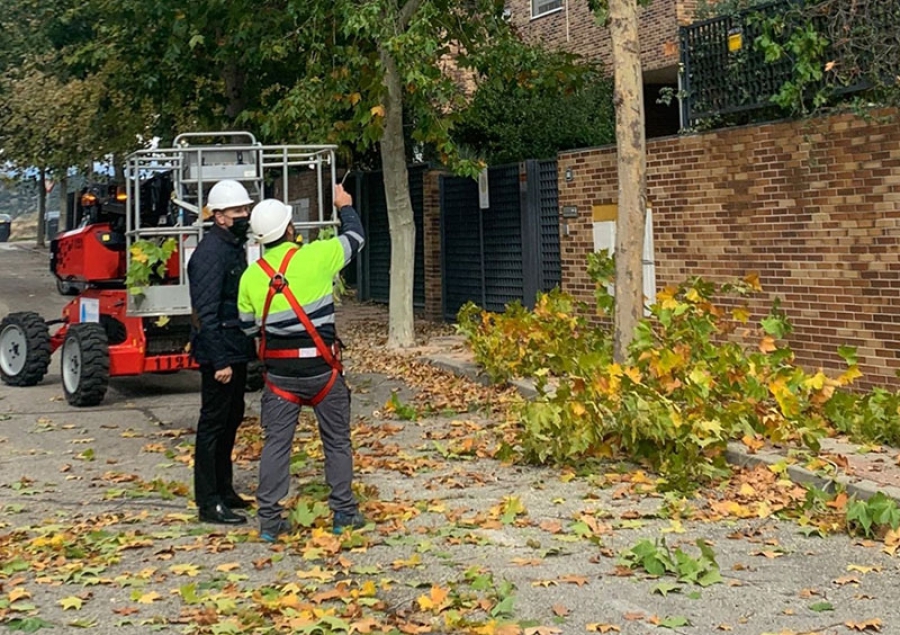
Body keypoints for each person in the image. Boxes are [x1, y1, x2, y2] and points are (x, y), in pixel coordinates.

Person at [238, 185, 365, 542]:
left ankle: (270, 521)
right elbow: (355, 238)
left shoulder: (250, 277)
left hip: (280, 378)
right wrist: (345, 205)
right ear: (290, 228)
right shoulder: (318, 256)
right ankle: (343, 513)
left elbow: (249, 328)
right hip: (323, 372)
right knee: (337, 442)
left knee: (276, 444)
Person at [188, 179, 257, 525]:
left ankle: (225, 489)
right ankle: (208, 500)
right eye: (237, 211)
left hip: (235, 347)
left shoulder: (231, 247)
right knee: (213, 425)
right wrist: (219, 361)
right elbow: (206, 313)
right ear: (219, 216)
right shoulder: (210, 254)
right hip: (221, 353)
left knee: (231, 420)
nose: (244, 215)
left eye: (245, 209)